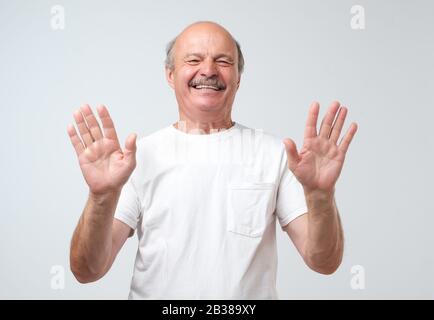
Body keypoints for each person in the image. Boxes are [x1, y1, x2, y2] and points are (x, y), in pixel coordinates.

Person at [67, 21, 358, 299]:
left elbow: (324, 262)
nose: (208, 70)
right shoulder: (136, 159)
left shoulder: (275, 154)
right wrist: (102, 196)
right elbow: (88, 270)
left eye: (223, 61)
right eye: (193, 60)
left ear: (239, 78)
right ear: (170, 74)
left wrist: (320, 195)